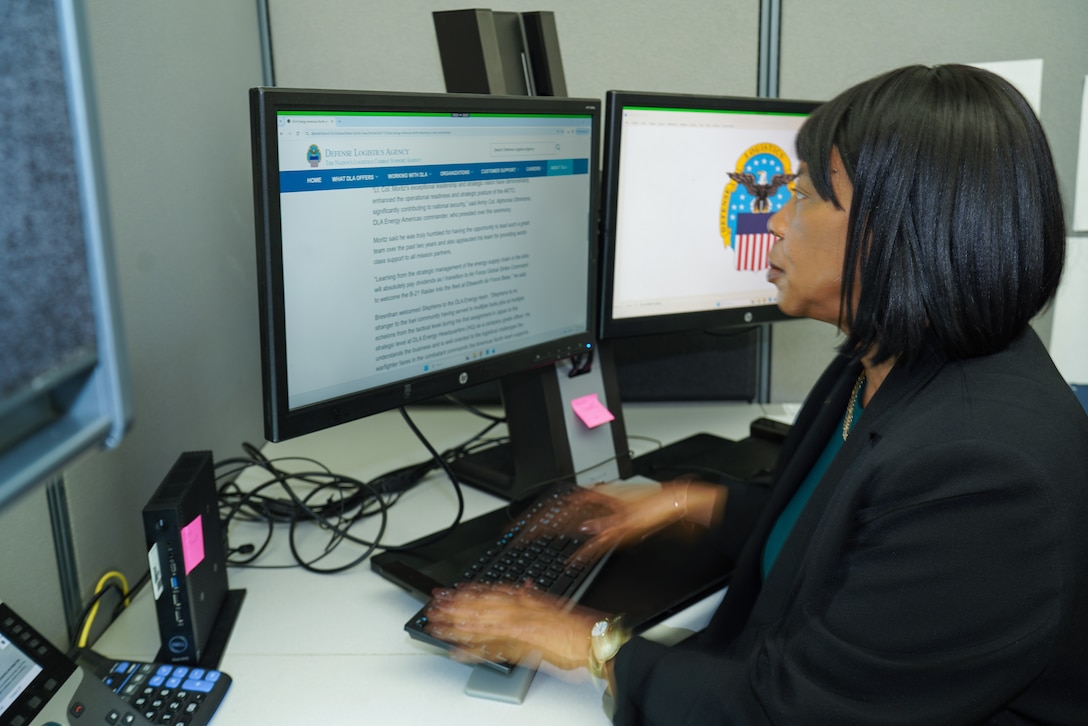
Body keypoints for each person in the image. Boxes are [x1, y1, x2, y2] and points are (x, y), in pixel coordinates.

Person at [422, 64, 1088, 724]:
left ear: (896, 229)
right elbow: (838, 527)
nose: (771, 219)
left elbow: (792, 714)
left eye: (802, 196)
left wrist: (585, 643)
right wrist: (693, 503)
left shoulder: (982, 477)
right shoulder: (883, 357)